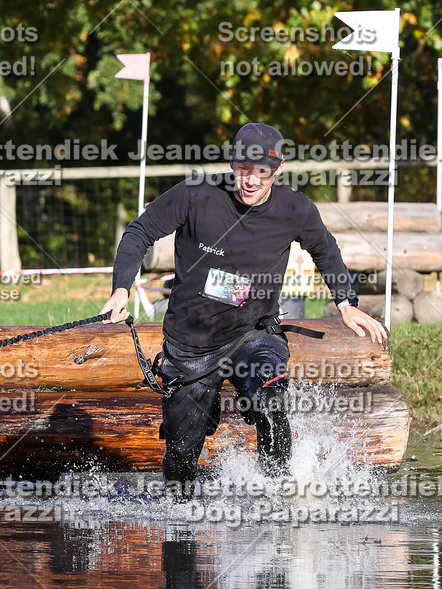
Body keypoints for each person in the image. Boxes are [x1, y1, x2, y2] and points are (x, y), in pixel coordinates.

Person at [100, 122, 387, 498]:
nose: (250, 180)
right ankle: (180, 523)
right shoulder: (195, 194)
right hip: (192, 344)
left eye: (261, 172)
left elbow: (325, 249)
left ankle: (277, 498)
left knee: (270, 404)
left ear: (278, 169)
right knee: (182, 463)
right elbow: (139, 232)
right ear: (232, 163)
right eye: (243, 169)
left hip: (254, 335)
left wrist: (346, 303)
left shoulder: (294, 209)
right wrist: (121, 288)